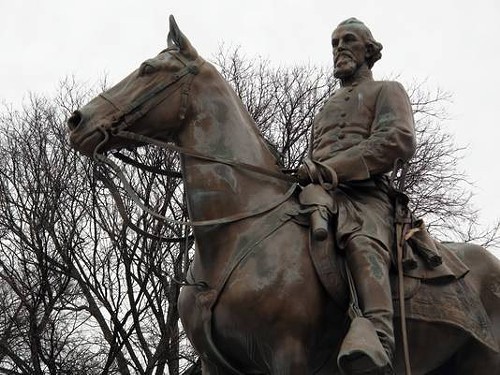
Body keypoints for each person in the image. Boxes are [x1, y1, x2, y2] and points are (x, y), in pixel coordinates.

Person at [298, 18, 416, 374]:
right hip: (320, 195)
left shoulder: (387, 91)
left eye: (348, 40)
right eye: (334, 43)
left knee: (361, 239)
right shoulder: (324, 110)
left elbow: (397, 140)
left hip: (366, 197)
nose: (339, 48)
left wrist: (332, 168)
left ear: (369, 50)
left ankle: (379, 338)